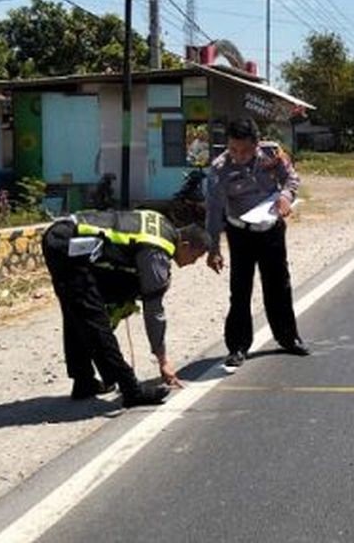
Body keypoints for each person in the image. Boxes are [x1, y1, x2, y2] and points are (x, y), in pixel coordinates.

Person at [42, 208, 211, 407]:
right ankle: (131, 389)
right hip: (70, 246)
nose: (193, 263)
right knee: (95, 320)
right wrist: (163, 360)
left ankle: (84, 382)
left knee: (76, 313)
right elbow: (154, 309)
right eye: (196, 256)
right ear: (185, 244)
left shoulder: (162, 224)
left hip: (64, 236)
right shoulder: (157, 249)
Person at [206, 117, 309, 367]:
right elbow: (214, 210)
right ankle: (238, 347)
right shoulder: (220, 169)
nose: (238, 155)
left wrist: (285, 196)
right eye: (233, 149)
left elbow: (291, 178)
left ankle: (288, 338)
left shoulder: (272, 153)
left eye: (244, 150)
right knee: (240, 290)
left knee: (278, 285)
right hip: (240, 232)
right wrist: (214, 249)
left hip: (271, 228)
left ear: (256, 143)